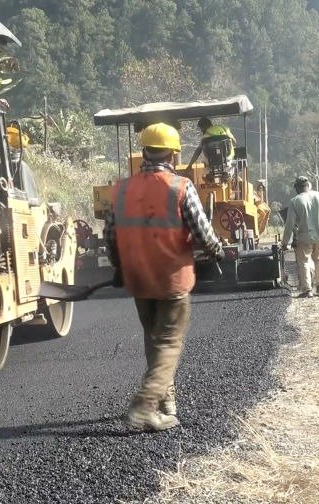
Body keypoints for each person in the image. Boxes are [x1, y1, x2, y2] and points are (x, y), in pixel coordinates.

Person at [104, 123, 224, 432]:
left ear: (143, 151)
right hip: (171, 278)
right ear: (173, 153)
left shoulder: (122, 189)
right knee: (169, 342)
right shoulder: (179, 186)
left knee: (153, 338)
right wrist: (216, 251)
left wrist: (119, 268)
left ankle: (166, 402)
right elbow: (202, 232)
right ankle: (145, 405)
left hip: (139, 279)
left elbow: (111, 236)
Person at [282, 176, 319, 297]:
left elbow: (289, 224)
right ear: (309, 185)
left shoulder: (295, 201)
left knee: (305, 262)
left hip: (304, 238)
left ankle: (307, 290)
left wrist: (284, 242)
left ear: (297, 188)